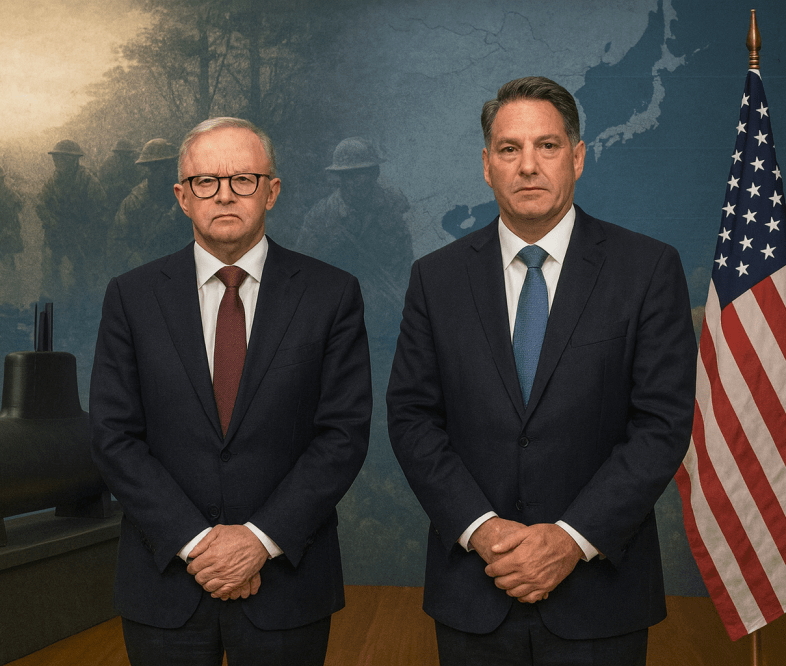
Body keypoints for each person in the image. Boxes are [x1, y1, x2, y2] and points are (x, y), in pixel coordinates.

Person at [386, 76, 697, 665]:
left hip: (602, 597)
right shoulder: (436, 278)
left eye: (547, 146)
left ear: (577, 157)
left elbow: (661, 425)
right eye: (510, 149)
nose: (528, 165)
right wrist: (483, 530)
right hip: (476, 591)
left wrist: (569, 540)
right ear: (486, 165)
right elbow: (411, 417)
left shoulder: (648, 268)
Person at [90, 117, 372, 666]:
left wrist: (257, 542)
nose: (224, 194)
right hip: (165, 579)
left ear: (273, 191)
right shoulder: (131, 297)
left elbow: (342, 435)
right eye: (205, 181)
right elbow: (113, 437)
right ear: (181, 196)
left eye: (243, 179)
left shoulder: (331, 294)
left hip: (287, 581)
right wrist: (198, 544)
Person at [295, 137, 413, 337]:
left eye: (362, 173)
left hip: (393, 321)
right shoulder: (322, 216)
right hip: (342, 324)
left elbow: (410, 260)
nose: (356, 182)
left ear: (374, 174)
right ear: (339, 178)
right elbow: (302, 275)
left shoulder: (395, 206)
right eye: (348, 175)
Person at [107, 138, 194, 275]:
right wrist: (131, 257)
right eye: (155, 168)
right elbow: (116, 240)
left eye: (169, 166)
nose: (166, 172)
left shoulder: (189, 195)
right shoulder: (135, 201)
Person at [35, 139, 109, 294]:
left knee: (83, 275)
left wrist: (85, 230)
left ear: (74, 160)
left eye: (63, 158)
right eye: (56, 158)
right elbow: (41, 203)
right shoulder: (53, 181)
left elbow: (101, 209)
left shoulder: (88, 181)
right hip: (56, 233)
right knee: (50, 271)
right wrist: (52, 222)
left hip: (81, 235)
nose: (57, 162)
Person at [99, 138, 144, 217]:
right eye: (122, 153)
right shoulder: (108, 164)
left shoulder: (132, 164)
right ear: (117, 153)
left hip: (130, 200)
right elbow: (102, 184)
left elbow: (138, 182)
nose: (126, 156)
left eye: (128, 153)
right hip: (112, 201)